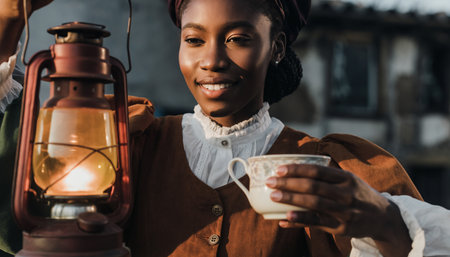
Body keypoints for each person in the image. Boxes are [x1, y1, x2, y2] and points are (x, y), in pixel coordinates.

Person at [0, 0, 449, 256]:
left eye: (238, 39)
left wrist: (383, 220)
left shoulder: (339, 168)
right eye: (193, 40)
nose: (211, 60)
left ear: (275, 48)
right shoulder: (128, 144)